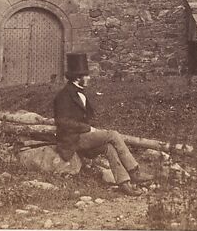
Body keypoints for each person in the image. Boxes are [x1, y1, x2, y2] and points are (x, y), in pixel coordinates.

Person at [53, 53, 150, 195]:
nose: (89, 78)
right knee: (113, 134)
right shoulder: (63, 96)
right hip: (72, 140)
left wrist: (93, 129)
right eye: (86, 75)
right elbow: (61, 122)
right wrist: (88, 128)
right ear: (77, 78)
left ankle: (124, 183)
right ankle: (134, 172)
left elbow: (87, 116)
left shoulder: (80, 93)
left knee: (109, 147)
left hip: (82, 136)